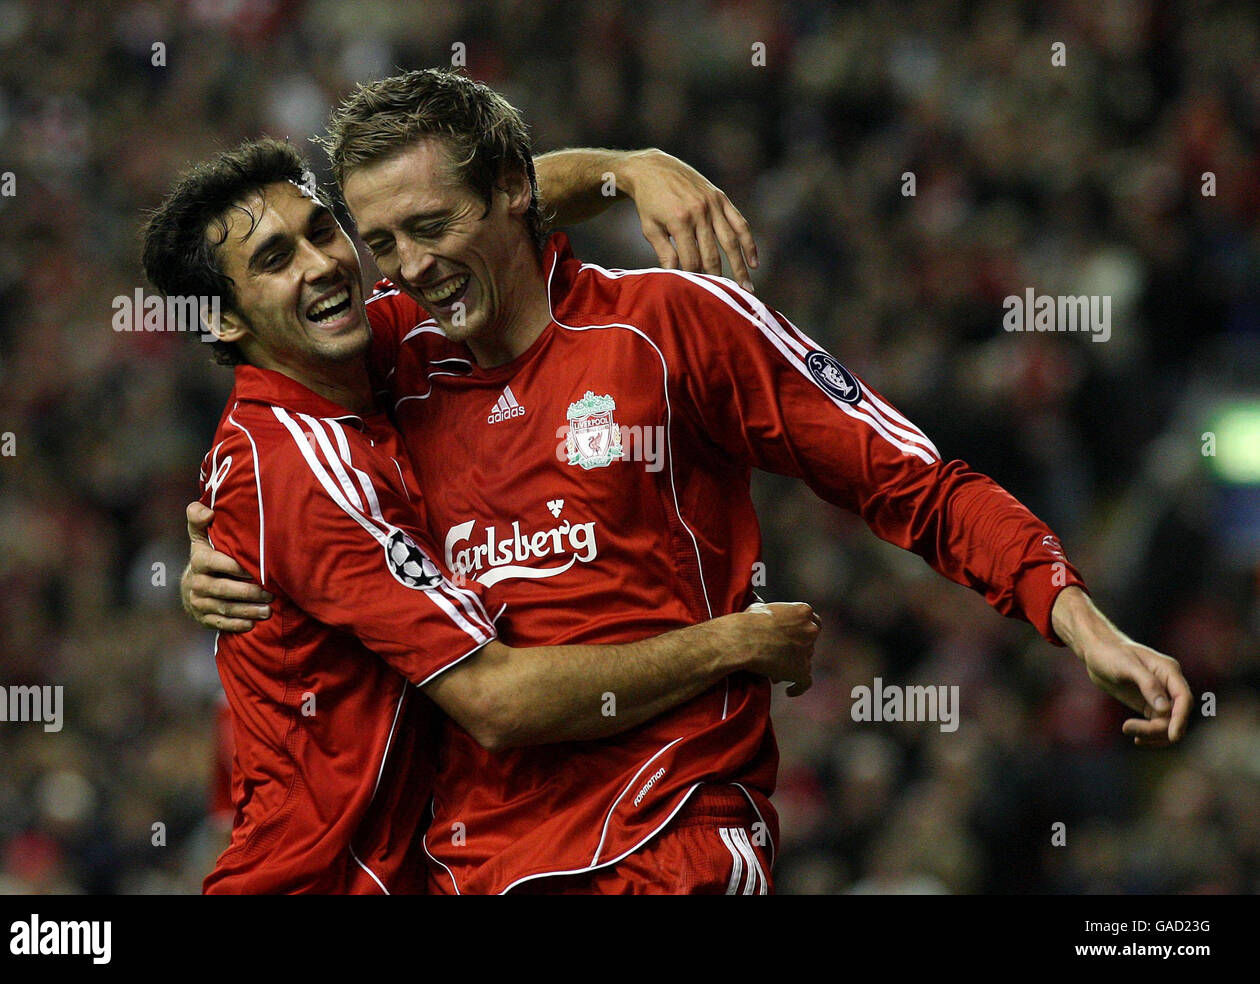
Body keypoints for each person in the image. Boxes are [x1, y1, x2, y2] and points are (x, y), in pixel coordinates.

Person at [188, 70, 1193, 895]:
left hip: (670, 833)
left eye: (429, 226)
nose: (406, 266)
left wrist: (1075, 618)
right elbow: (273, 448)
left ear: (509, 191)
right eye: (382, 242)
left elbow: (916, 486)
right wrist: (222, 546)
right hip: (480, 865)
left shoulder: (678, 326)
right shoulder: (391, 359)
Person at [146, 138, 818, 893]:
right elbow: (495, 702)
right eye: (274, 260)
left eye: (321, 231)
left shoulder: (368, 362)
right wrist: (736, 644)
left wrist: (630, 170)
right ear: (226, 324)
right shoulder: (302, 466)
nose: (321, 264)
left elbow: (480, 215)